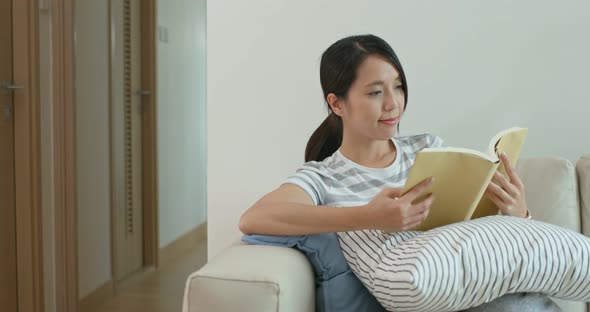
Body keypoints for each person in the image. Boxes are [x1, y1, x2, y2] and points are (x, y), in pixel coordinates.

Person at [239, 34, 559, 312]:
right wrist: (369, 216)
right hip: (417, 299)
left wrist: (518, 214)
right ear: (337, 104)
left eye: (398, 87)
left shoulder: (427, 149)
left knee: (523, 302)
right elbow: (255, 218)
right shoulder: (324, 176)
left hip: (473, 289)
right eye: (375, 92)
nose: (393, 104)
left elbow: (469, 236)